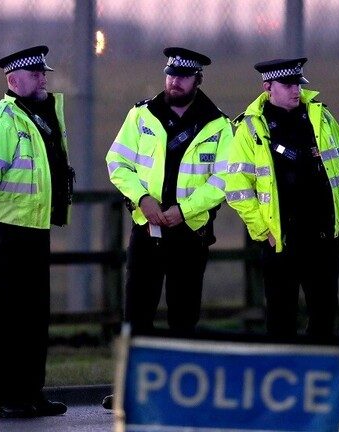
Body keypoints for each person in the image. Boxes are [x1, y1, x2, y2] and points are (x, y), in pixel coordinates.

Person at [101, 47, 233, 410]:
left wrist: (184, 211)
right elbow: (117, 162)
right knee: (137, 313)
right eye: (171, 75)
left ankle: (180, 392)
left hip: (190, 233)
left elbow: (224, 179)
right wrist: (142, 198)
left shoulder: (218, 124)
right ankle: (131, 389)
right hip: (147, 230)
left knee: (183, 315)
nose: (174, 82)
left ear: (197, 80)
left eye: (183, 77)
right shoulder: (141, 115)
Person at [0, 45, 73, 419]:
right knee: (8, 316)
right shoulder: (2, 120)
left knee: (34, 315)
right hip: (9, 230)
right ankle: (1, 396)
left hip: (35, 229)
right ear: (14, 80)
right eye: (36, 74)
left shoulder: (42, 116)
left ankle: (30, 393)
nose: (44, 79)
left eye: (44, 73)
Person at [223, 57, 339, 340]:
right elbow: (237, 188)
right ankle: (282, 368)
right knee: (280, 318)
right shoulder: (251, 127)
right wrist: (264, 231)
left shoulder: (321, 117)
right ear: (268, 87)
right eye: (287, 85)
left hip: (322, 236)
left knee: (324, 314)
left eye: (297, 84)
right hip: (281, 239)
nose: (295, 90)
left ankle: (318, 367)